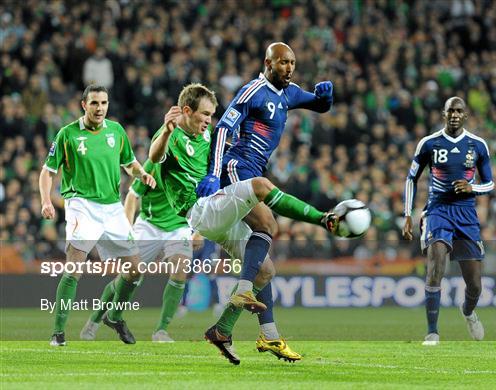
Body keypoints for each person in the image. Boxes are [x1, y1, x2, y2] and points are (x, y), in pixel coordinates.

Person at [149, 83, 338, 364]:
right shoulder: (173, 133)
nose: (208, 121)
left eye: (212, 115)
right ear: (186, 111)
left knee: (265, 269)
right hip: (199, 210)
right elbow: (154, 157)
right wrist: (165, 131)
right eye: (204, 115)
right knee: (262, 192)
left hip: (218, 208)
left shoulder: (207, 138)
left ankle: (229, 330)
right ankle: (320, 217)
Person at [195, 42, 333, 356]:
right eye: (282, 62)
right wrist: (214, 172)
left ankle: (231, 330)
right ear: (267, 62)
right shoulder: (252, 91)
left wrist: (326, 98)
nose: (288, 68)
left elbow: (319, 105)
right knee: (267, 221)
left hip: (254, 171)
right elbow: (222, 131)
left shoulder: (290, 93)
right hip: (236, 167)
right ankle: (243, 290)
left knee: (265, 269)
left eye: (292, 63)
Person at [39, 84, 156, 346]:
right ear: (84, 105)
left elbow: (129, 164)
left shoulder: (116, 131)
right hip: (81, 205)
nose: (100, 108)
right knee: (75, 268)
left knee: (135, 270)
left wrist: (143, 174)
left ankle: (113, 316)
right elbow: (47, 172)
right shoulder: (67, 134)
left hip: (112, 207)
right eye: (94, 103)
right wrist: (46, 200)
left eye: (103, 103)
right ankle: (58, 332)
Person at [402, 97, 494, 346]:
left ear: (465, 115)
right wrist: (407, 214)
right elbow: (411, 178)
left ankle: (468, 312)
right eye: (450, 110)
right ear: (444, 114)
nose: (454, 114)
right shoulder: (429, 143)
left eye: (459, 111)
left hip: (466, 215)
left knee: (474, 284)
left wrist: (471, 187)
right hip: (437, 211)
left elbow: (490, 183)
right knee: (436, 265)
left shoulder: (478, 145)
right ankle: (432, 332)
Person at [79, 158, 198, 343]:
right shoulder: (155, 164)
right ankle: (95, 319)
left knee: (181, 268)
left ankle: (161, 331)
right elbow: (132, 195)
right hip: (149, 224)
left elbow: (204, 200)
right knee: (129, 274)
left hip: (179, 226)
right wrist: (127, 229)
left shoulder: (197, 162)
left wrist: (199, 231)